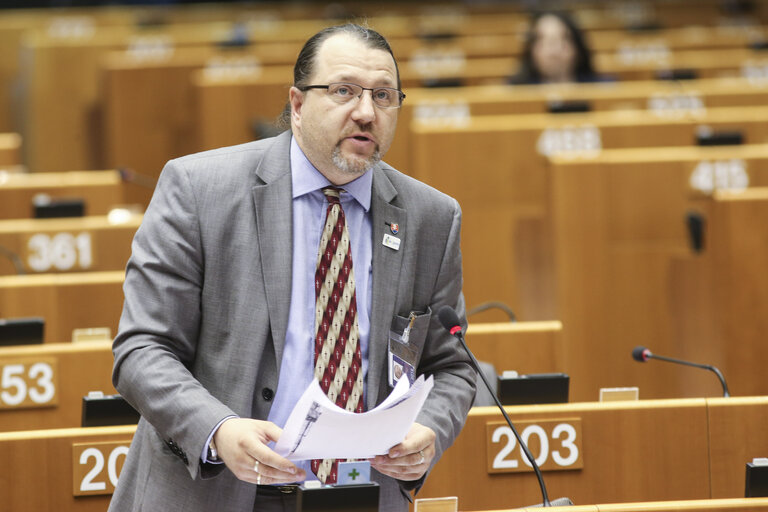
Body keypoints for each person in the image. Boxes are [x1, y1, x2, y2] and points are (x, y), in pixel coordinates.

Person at [109, 23, 476, 512]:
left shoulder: (431, 217)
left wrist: (430, 429)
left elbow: (451, 366)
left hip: (360, 495)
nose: (366, 112)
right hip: (214, 490)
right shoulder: (198, 190)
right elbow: (141, 349)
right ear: (298, 105)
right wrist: (218, 430)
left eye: (384, 96)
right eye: (343, 90)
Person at [509, 11, 600, 85]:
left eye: (563, 39)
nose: (554, 51)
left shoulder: (602, 88)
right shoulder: (513, 92)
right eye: (543, 41)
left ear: (577, 47)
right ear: (530, 50)